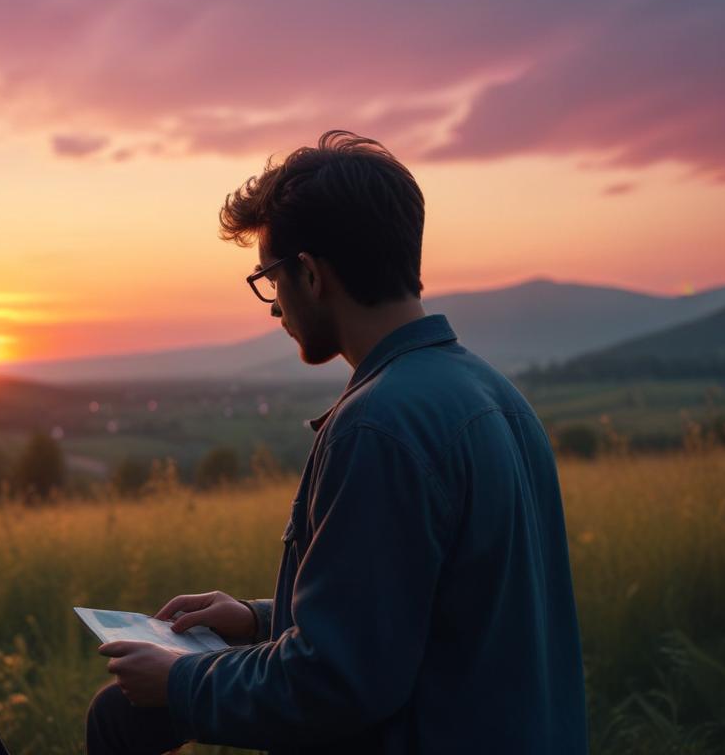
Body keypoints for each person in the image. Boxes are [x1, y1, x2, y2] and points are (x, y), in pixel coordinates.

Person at [87, 131, 587, 754]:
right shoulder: (496, 397)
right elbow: (434, 614)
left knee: (116, 720)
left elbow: (337, 683)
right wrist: (258, 622)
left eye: (270, 276)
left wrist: (182, 680)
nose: (273, 308)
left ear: (312, 274)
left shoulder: (378, 425)